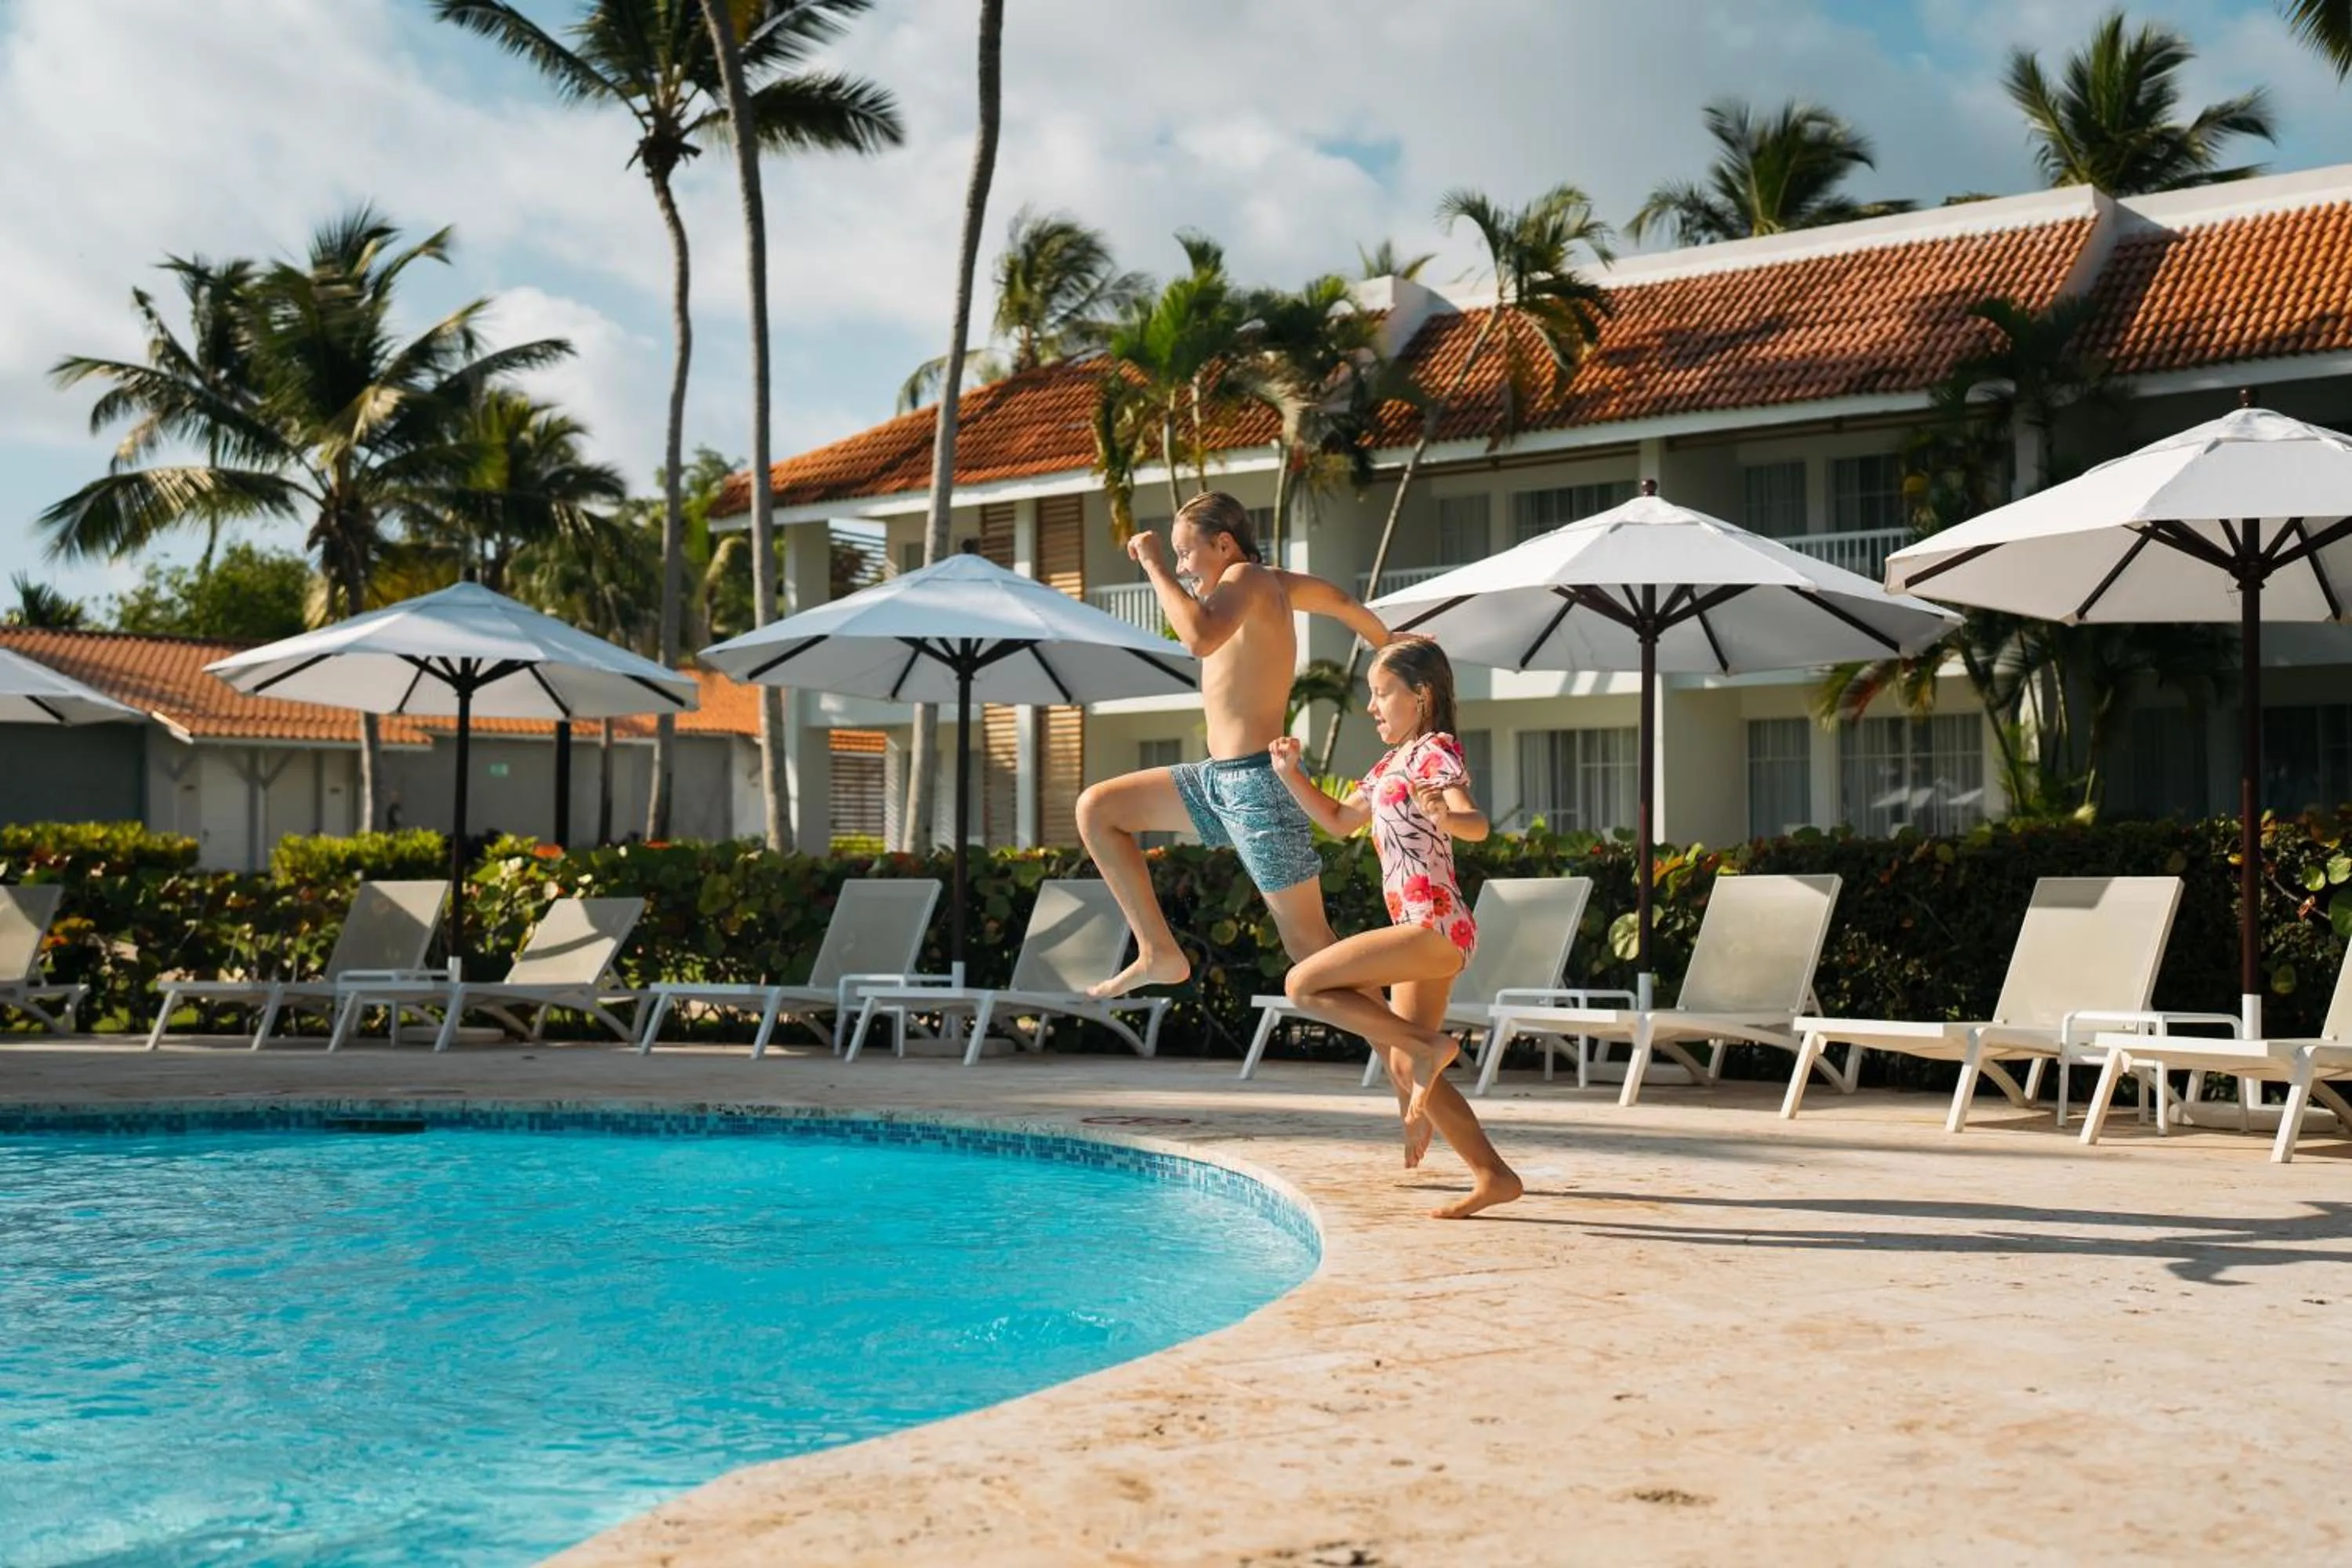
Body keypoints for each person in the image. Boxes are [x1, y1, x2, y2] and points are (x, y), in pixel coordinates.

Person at [1076, 491, 1390, 1000]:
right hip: (1215, 782)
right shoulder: (1270, 583)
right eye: (1174, 555)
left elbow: (1200, 638)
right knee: (1099, 809)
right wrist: (1390, 643)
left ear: (1224, 544)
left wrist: (1153, 564)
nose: (1181, 567)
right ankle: (1158, 951)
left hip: (1259, 786)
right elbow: (1342, 603)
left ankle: (1408, 1053)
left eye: (1185, 553)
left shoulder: (1244, 579)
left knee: (1311, 947)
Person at [1269, 636, 1523, 1220]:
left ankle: (1427, 1050)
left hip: (1433, 925)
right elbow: (1337, 820)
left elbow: (1476, 823)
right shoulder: (1390, 764)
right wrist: (1290, 774)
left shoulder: (1433, 751)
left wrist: (1447, 815)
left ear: (1422, 694)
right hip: (1426, 931)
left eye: (1382, 693)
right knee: (1408, 1064)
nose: (1372, 706)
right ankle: (1494, 1174)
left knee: (1303, 986)